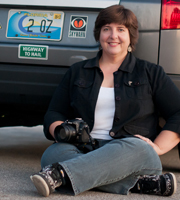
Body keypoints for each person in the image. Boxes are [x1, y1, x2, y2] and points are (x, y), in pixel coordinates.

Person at [30, 5, 180, 197]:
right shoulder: (78, 71)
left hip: (131, 153)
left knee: (137, 146)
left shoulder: (151, 73)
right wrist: (60, 131)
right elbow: (54, 113)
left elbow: (178, 112)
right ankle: (140, 184)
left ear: (131, 36)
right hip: (83, 149)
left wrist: (158, 147)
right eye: (106, 29)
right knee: (52, 154)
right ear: (99, 34)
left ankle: (60, 174)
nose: (113, 35)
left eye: (121, 30)